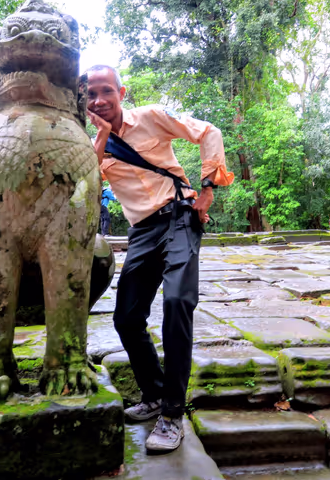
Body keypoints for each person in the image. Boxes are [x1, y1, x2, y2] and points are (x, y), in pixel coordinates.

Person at [87, 65, 233, 453]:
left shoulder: (151, 117)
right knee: (127, 318)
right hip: (142, 232)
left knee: (177, 301)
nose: (99, 100)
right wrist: (100, 138)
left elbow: (208, 133)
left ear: (121, 92)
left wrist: (206, 189)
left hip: (179, 215)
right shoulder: (92, 147)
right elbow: (84, 188)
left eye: (106, 91)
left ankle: (172, 413)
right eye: (91, 94)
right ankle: (152, 394)